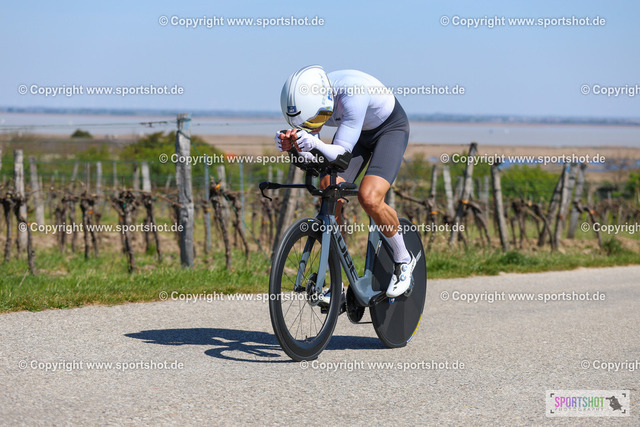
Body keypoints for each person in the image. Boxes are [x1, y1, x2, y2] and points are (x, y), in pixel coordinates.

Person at [275, 65, 416, 299]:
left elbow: (340, 154)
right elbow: (313, 158)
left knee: (369, 197)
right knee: (328, 187)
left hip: (388, 130)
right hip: (355, 131)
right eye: (307, 123)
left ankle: (403, 259)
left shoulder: (352, 94)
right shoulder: (310, 102)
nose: (314, 126)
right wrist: (293, 147)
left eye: (316, 120)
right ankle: (338, 282)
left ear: (326, 102)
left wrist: (314, 143)